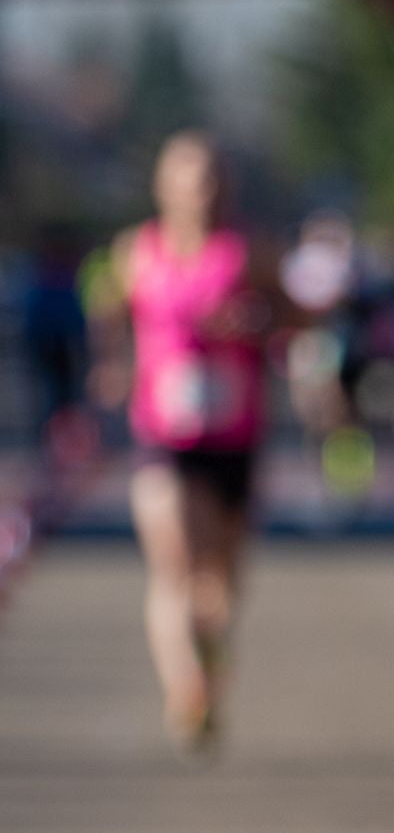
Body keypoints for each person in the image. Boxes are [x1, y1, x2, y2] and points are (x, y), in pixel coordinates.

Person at [102, 132, 281, 755]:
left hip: (235, 435)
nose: (198, 191)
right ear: (163, 186)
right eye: (186, 177)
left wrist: (259, 322)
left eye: (209, 178)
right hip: (161, 431)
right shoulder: (136, 252)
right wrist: (110, 363)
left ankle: (209, 666)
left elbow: (295, 319)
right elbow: (110, 313)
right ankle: (185, 689)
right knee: (175, 560)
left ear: (223, 187)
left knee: (219, 580)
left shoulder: (250, 252)